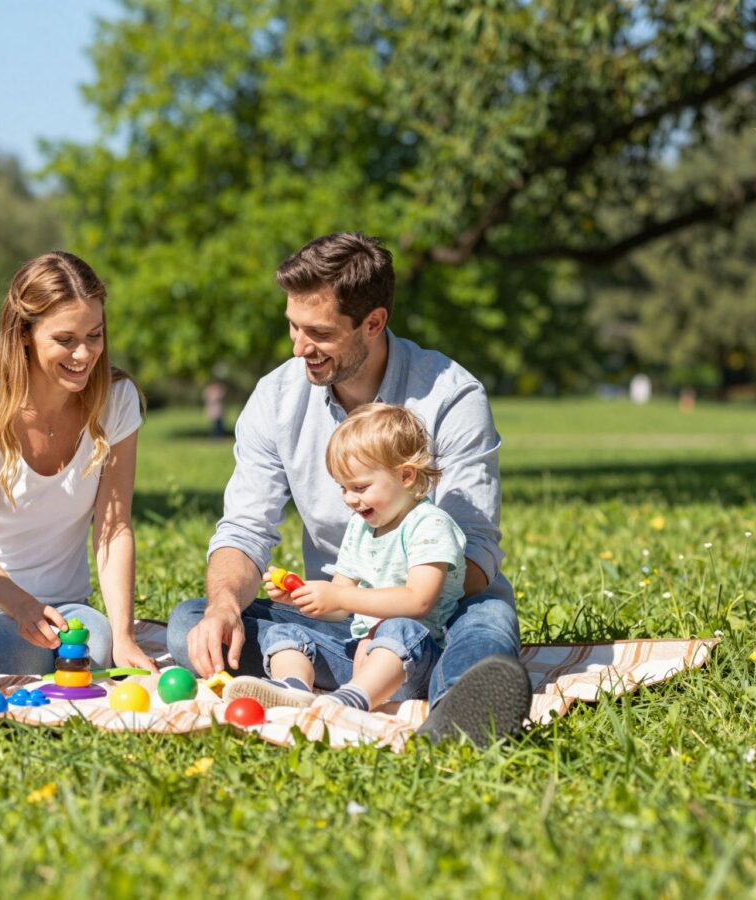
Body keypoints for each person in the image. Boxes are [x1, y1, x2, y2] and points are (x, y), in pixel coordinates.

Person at [167, 232, 532, 746]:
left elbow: (473, 558)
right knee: (192, 621)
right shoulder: (275, 398)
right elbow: (246, 529)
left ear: (374, 323)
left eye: (318, 332)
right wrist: (225, 606)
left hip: (437, 619)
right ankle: (321, 684)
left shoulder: (452, 396)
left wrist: (382, 603)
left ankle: (458, 715)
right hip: (337, 621)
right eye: (293, 327)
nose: (299, 348)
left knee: (489, 618)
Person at [0, 251, 156, 674]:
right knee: (21, 654)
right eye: (65, 340)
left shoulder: (115, 400)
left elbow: (114, 527)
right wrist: (23, 607)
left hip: (64, 601)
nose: (84, 355)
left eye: (95, 335)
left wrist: (124, 634)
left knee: (97, 646)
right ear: (25, 333)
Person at [223, 404, 468, 713]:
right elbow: (339, 610)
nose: (350, 498)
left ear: (405, 476)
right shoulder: (361, 528)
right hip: (360, 659)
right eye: (343, 487)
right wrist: (302, 599)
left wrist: (340, 596)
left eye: (360, 487)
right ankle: (295, 688)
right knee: (283, 632)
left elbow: (418, 601)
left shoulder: (429, 524)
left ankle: (353, 698)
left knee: (400, 629)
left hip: (415, 658)